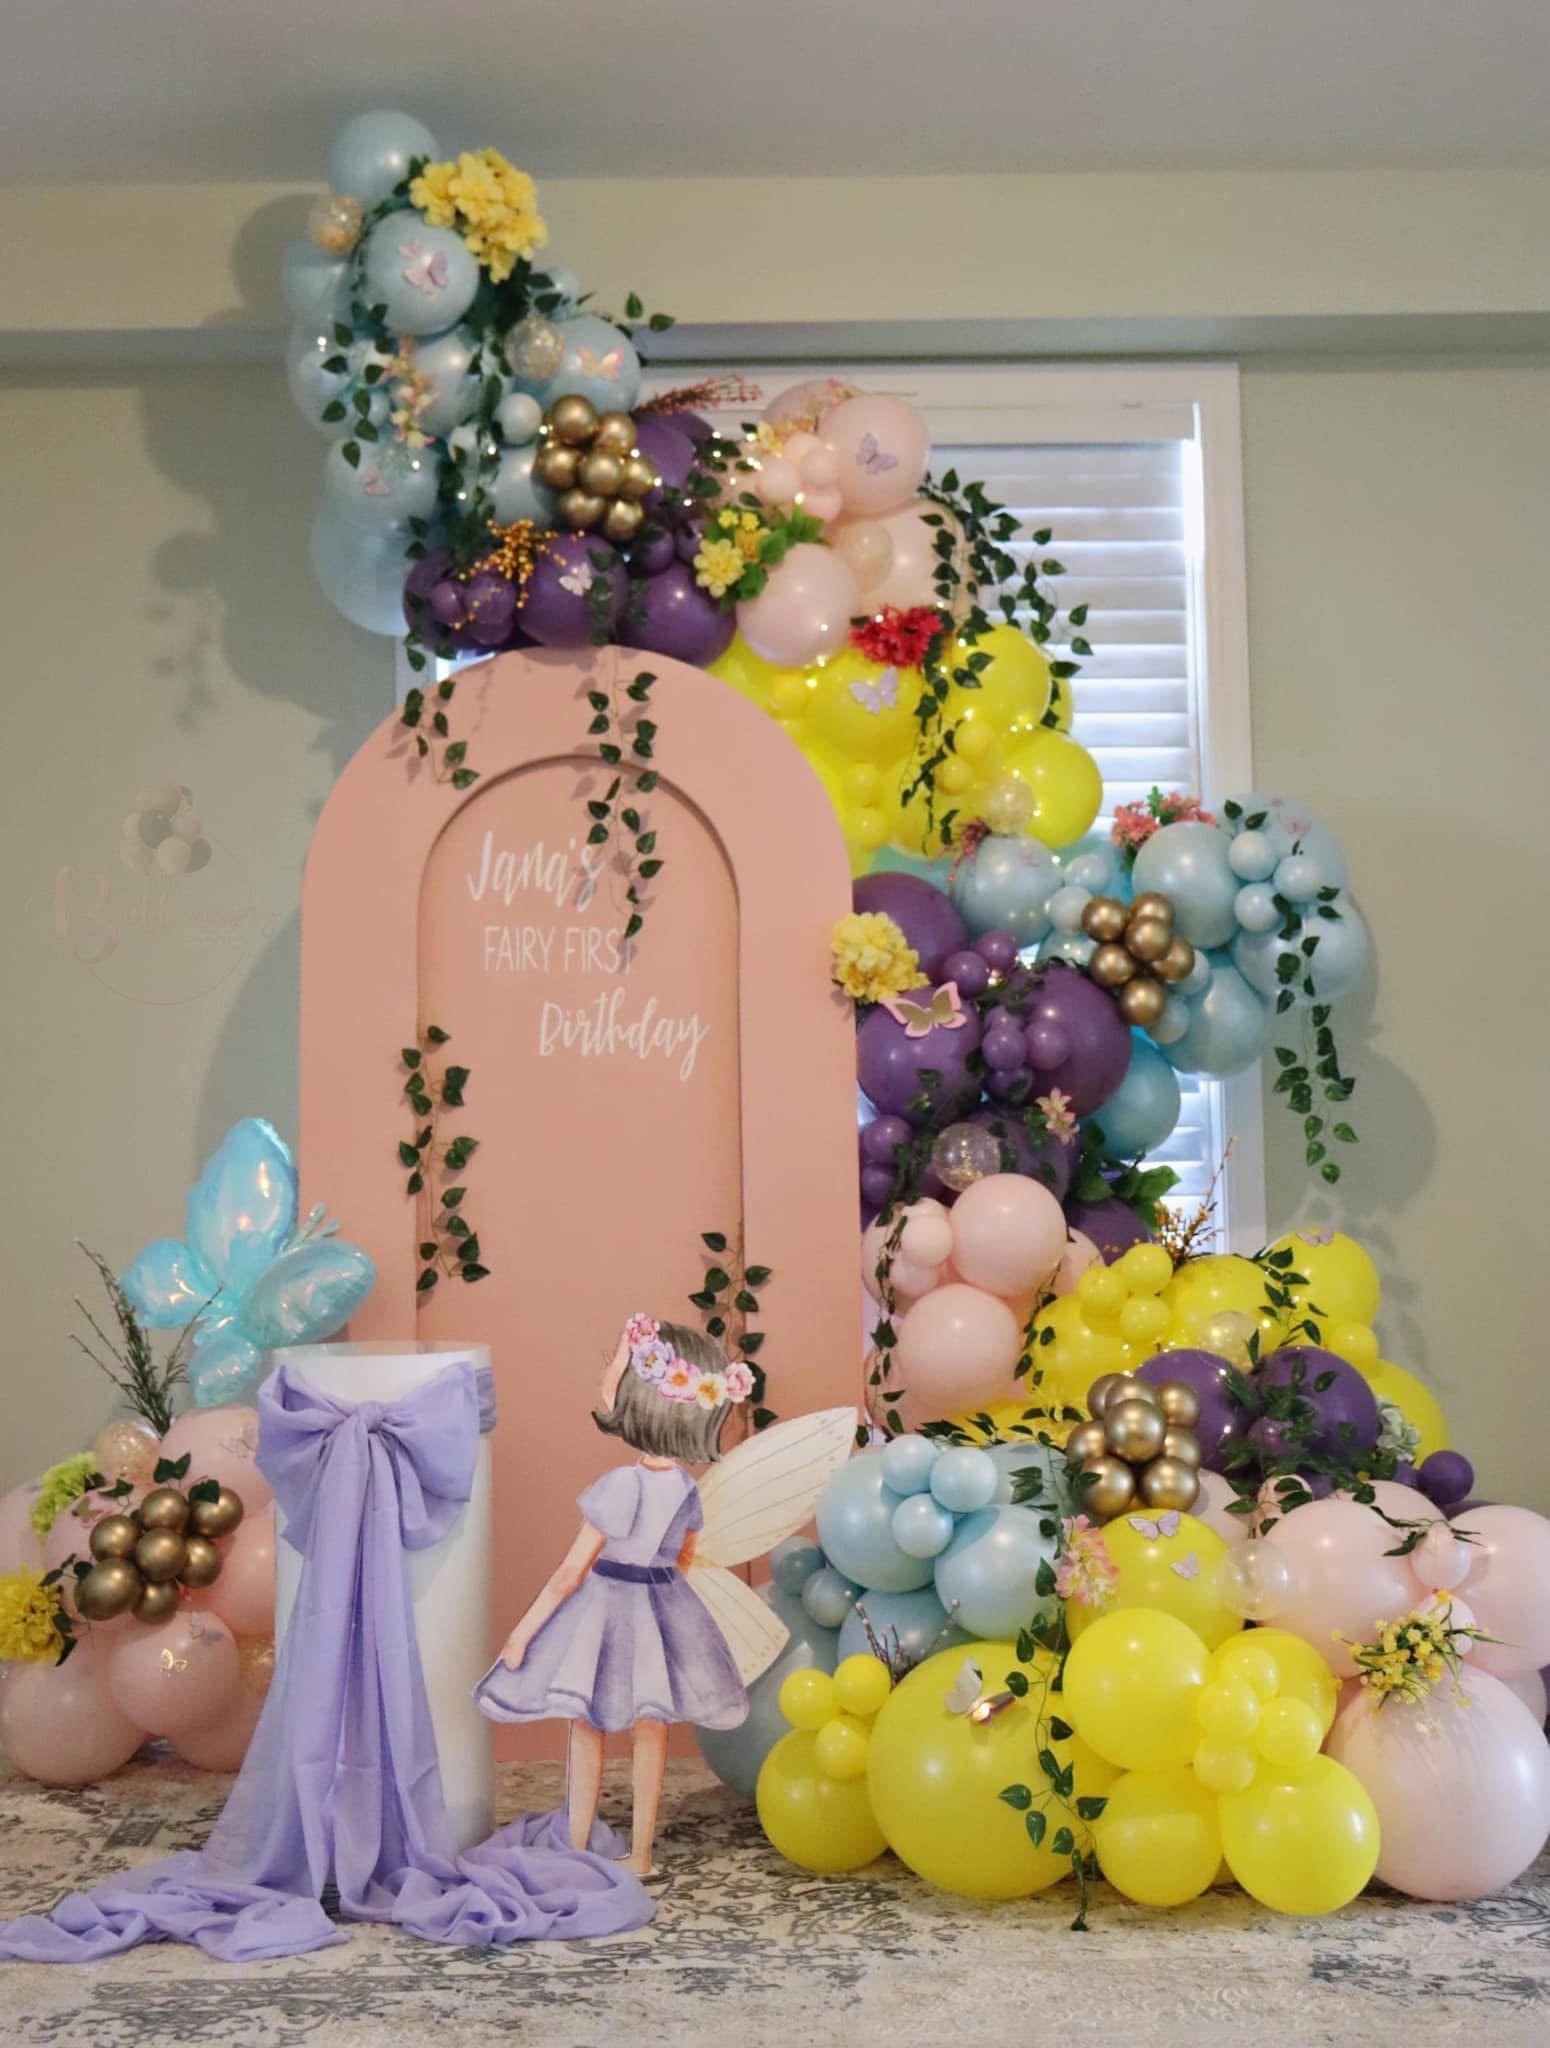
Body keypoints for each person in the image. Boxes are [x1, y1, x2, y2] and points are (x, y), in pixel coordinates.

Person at [475, 1314, 753, 1874]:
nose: (607, 1383)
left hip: (606, 1610)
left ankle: (578, 1851)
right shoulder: (684, 1488)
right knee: (650, 1730)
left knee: (588, 1724)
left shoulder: (622, 1484)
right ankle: (641, 1855)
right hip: (664, 1610)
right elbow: (685, 1556)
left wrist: (523, 1632)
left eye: (618, 1373)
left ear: (642, 1401)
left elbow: (569, 1573)